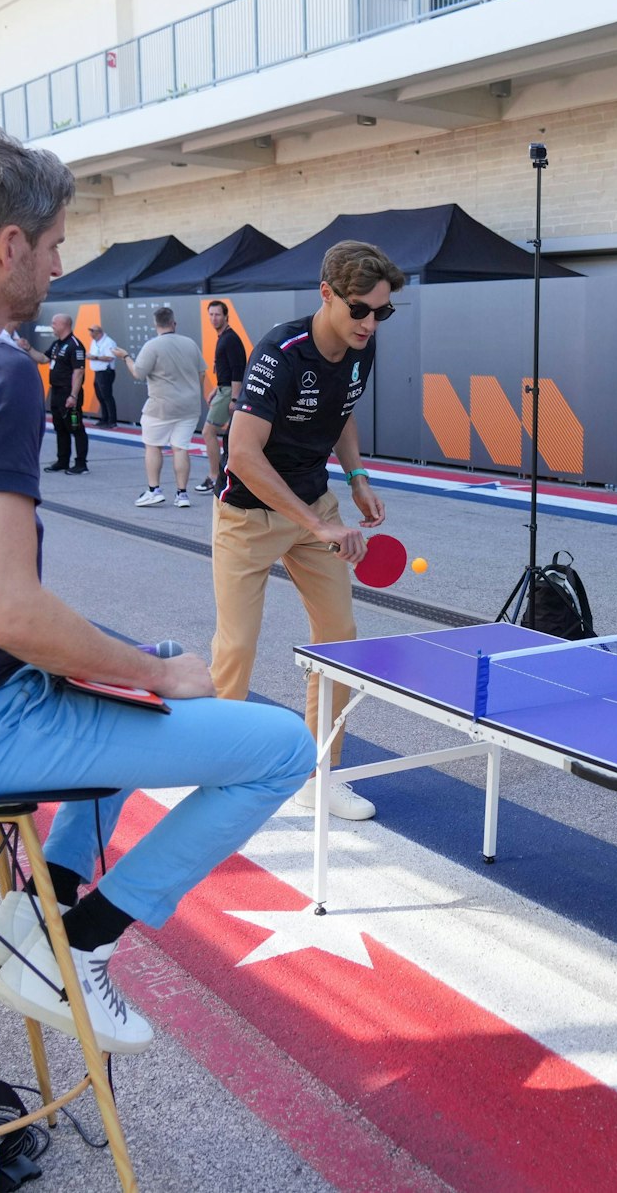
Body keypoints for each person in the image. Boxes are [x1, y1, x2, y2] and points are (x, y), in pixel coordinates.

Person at [0, 124, 312, 1057]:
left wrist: (132, 665)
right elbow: (3, 609)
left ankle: (36, 912)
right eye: (53, 246)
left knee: (126, 667)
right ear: (7, 245)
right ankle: (79, 949)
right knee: (281, 746)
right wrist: (156, 677)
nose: (56, 265)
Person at [210, 240, 402, 822]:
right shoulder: (279, 353)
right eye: (361, 310)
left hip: (313, 505)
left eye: (382, 312)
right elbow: (242, 456)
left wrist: (358, 475)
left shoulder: (361, 350)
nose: (371, 322)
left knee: (339, 638)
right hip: (248, 515)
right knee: (238, 644)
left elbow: (341, 411)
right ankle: (215, 772)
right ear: (327, 294)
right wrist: (317, 523)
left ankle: (320, 772)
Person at [126, 307, 205, 509]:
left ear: (155, 324)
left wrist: (125, 357)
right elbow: (202, 372)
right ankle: (182, 494)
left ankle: (154, 490)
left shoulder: (152, 346)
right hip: (189, 406)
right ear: (174, 323)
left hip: (160, 406)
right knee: (181, 448)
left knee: (153, 446)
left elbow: (138, 373)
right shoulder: (190, 343)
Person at [195, 300, 246, 495]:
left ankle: (215, 477)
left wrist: (234, 398)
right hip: (223, 390)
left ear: (226, 316)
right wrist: (216, 388)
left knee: (208, 432)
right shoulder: (224, 337)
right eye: (211, 314)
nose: (214, 318)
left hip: (229, 393)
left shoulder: (230, 339)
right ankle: (224, 475)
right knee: (228, 436)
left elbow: (237, 369)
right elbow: (225, 368)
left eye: (217, 314)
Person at [43, 312, 89, 474]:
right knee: (60, 427)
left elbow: (79, 372)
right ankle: (62, 460)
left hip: (69, 393)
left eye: (54, 323)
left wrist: (73, 396)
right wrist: (26, 348)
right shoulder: (57, 344)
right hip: (56, 392)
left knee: (75, 427)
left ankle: (81, 463)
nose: (52, 326)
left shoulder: (75, 345)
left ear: (64, 325)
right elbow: (43, 359)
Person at [86, 323, 127, 426]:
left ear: (99, 332)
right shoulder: (94, 342)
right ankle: (104, 418)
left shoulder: (109, 342)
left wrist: (94, 357)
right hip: (97, 372)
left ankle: (112, 421)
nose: (90, 333)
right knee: (100, 396)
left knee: (107, 396)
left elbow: (110, 358)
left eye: (92, 331)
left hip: (106, 372)